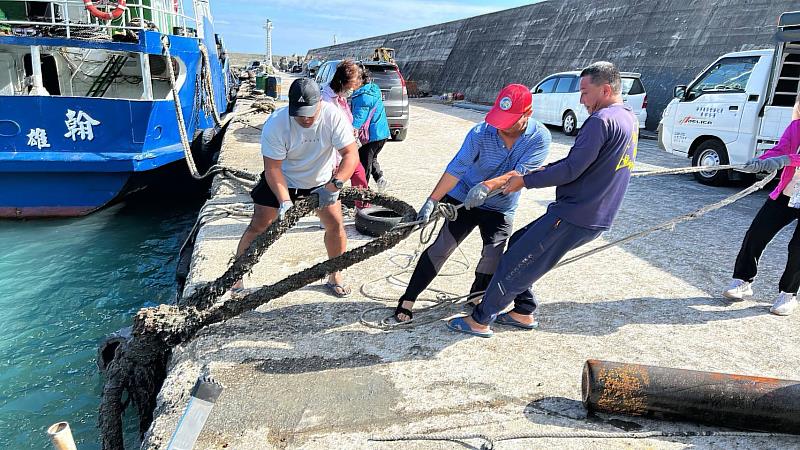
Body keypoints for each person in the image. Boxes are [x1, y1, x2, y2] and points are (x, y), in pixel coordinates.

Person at [447, 61, 639, 337]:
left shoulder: (600, 121)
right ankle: (523, 311)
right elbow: (579, 162)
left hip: (576, 214)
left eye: (585, 92)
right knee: (520, 242)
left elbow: (572, 169)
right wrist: (539, 172)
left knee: (515, 259)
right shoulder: (627, 117)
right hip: (596, 213)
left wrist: (525, 180)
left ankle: (481, 319)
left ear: (605, 89)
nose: (581, 99)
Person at [394, 84, 551, 322]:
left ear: (527, 114)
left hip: (501, 206)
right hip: (463, 197)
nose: (501, 126)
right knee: (441, 249)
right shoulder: (481, 133)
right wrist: (432, 200)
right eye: (500, 118)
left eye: (509, 121)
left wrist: (488, 186)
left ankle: (476, 296)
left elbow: (522, 174)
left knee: (493, 254)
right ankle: (408, 298)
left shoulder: (539, 138)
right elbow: (457, 168)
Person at [232, 78, 360, 297]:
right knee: (259, 224)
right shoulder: (276, 123)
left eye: (310, 112)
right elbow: (272, 168)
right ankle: (236, 277)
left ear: (320, 102)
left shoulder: (333, 116)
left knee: (336, 224)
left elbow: (351, 154)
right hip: (283, 179)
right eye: (299, 113)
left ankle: (335, 273)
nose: (305, 118)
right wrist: (284, 201)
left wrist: (335, 185)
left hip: (321, 181)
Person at [723, 103, 800, 315]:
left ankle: (789, 293)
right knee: (756, 233)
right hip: (788, 193)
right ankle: (742, 280)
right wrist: (760, 161)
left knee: (798, 248)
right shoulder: (796, 126)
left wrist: (787, 160)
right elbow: (781, 149)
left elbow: (787, 157)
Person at [320, 59, 370, 208]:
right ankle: (328, 213)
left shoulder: (341, 99)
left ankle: (363, 209)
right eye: (351, 86)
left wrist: (351, 129)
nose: (352, 90)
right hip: (334, 153)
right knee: (332, 185)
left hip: (348, 148)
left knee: (359, 177)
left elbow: (345, 120)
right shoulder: (326, 101)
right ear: (342, 82)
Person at [351, 68, 391, 191]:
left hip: (371, 136)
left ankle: (362, 192)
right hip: (382, 134)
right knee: (372, 158)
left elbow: (359, 117)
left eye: (354, 79)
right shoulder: (373, 89)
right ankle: (380, 179)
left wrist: (351, 130)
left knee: (364, 165)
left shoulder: (363, 97)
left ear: (360, 81)